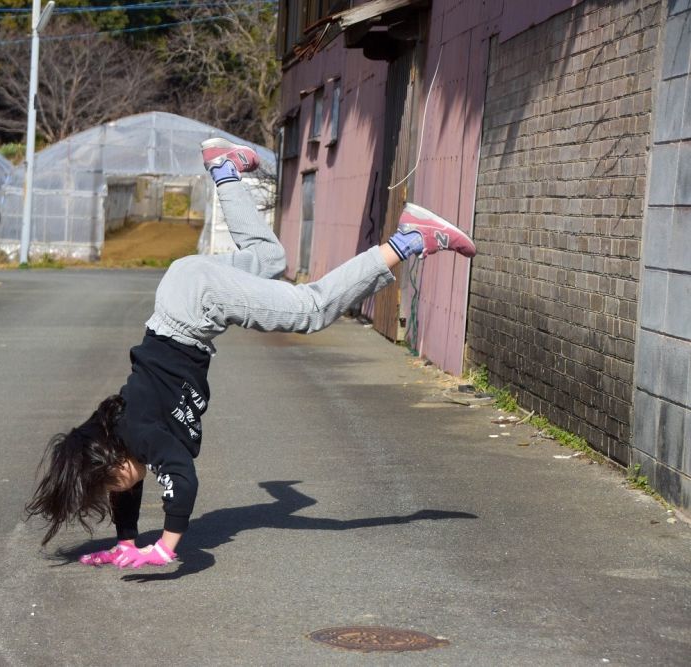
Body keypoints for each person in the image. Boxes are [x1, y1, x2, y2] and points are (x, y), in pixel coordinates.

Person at [25, 137, 476, 569]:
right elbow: (129, 488)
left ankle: (409, 239)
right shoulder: (123, 436)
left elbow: (181, 479)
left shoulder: (139, 431)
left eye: (106, 484)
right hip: (183, 292)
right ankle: (223, 166)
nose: (113, 493)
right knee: (267, 256)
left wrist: (165, 547)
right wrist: (124, 543)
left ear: (111, 458)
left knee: (310, 309)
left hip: (194, 306)